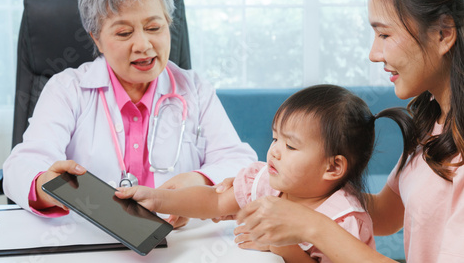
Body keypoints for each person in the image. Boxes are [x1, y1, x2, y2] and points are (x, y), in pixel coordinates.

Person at [235, 0, 464, 263]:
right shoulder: (433, 124)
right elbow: (385, 214)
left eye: (385, 35)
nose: (374, 54)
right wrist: (288, 193)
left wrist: (313, 225)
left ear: (443, 33)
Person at [2, 0, 257, 225]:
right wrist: (44, 184)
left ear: (169, 25)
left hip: (179, 241)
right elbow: (22, 164)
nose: (143, 44)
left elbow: (238, 161)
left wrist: (199, 182)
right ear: (97, 39)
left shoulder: (194, 89)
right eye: (124, 33)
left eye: (154, 27)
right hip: (92, 238)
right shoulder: (67, 89)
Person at [116, 84, 415, 263]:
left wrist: (279, 242)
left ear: (333, 167)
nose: (274, 151)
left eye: (291, 146)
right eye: (275, 139)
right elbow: (214, 201)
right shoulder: (266, 183)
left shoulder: (343, 220)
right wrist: (159, 199)